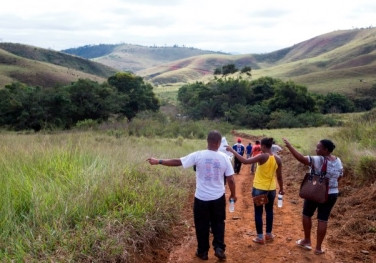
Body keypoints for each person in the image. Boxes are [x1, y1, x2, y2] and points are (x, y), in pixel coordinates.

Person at [147, 130, 237, 261]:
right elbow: (231, 180)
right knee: (218, 223)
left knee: (202, 225)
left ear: (207, 141)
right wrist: (233, 195)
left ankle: (203, 252)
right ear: (218, 143)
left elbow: (178, 161)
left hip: (201, 198)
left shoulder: (198, 155)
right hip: (218, 198)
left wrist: (158, 161)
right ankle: (219, 248)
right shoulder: (224, 158)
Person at [283, 138, 343, 255]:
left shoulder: (319, 159)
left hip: (316, 192)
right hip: (332, 194)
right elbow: (340, 176)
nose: (316, 149)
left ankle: (307, 240)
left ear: (325, 150)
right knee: (323, 219)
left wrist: (290, 146)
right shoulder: (338, 160)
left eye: (318, 148)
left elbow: (301, 159)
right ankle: (318, 248)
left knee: (307, 214)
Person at [226, 137, 284, 244]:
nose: (260, 148)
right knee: (269, 211)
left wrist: (232, 151)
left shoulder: (262, 156)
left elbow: (245, 161)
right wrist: (281, 188)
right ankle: (269, 234)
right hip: (271, 190)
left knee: (258, 212)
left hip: (259, 189)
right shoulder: (278, 159)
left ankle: (260, 237)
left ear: (264, 146)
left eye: (261, 146)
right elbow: (279, 177)